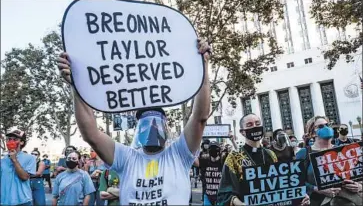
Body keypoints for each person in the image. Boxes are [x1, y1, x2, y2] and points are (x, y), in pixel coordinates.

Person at [57, 39, 211, 205]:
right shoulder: (127, 158)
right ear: (138, 127)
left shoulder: (179, 154)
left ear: (165, 127)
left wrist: (203, 67)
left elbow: (200, 117)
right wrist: (77, 85)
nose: (152, 127)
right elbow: (90, 134)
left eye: (156, 121)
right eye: (145, 123)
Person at [217, 113, 310, 206]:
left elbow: (280, 184)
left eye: (257, 124)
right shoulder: (234, 157)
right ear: (242, 132)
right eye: (249, 125)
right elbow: (225, 192)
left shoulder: (270, 154)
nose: (255, 127)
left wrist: (299, 195)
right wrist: (240, 204)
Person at [296, 116, 362, 206]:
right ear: (312, 133)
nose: (326, 128)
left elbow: (358, 174)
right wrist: (317, 189)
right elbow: (296, 181)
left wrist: (358, 186)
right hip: (318, 202)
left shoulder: (343, 150)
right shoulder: (303, 153)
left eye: (327, 125)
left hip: (347, 200)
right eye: (320, 126)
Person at [0, 130, 36, 206]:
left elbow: (25, 177)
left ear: (22, 142)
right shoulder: (2, 161)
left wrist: (14, 160)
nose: (11, 142)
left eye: (15, 139)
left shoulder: (30, 158)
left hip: (23, 201)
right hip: (4, 201)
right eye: (9, 139)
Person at [198, 141, 224, 206]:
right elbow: (192, 158)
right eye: (211, 148)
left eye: (215, 148)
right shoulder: (204, 161)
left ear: (219, 150)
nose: (213, 150)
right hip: (207, 196)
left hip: (220, 196)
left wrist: (233, 141)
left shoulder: (223, 162)